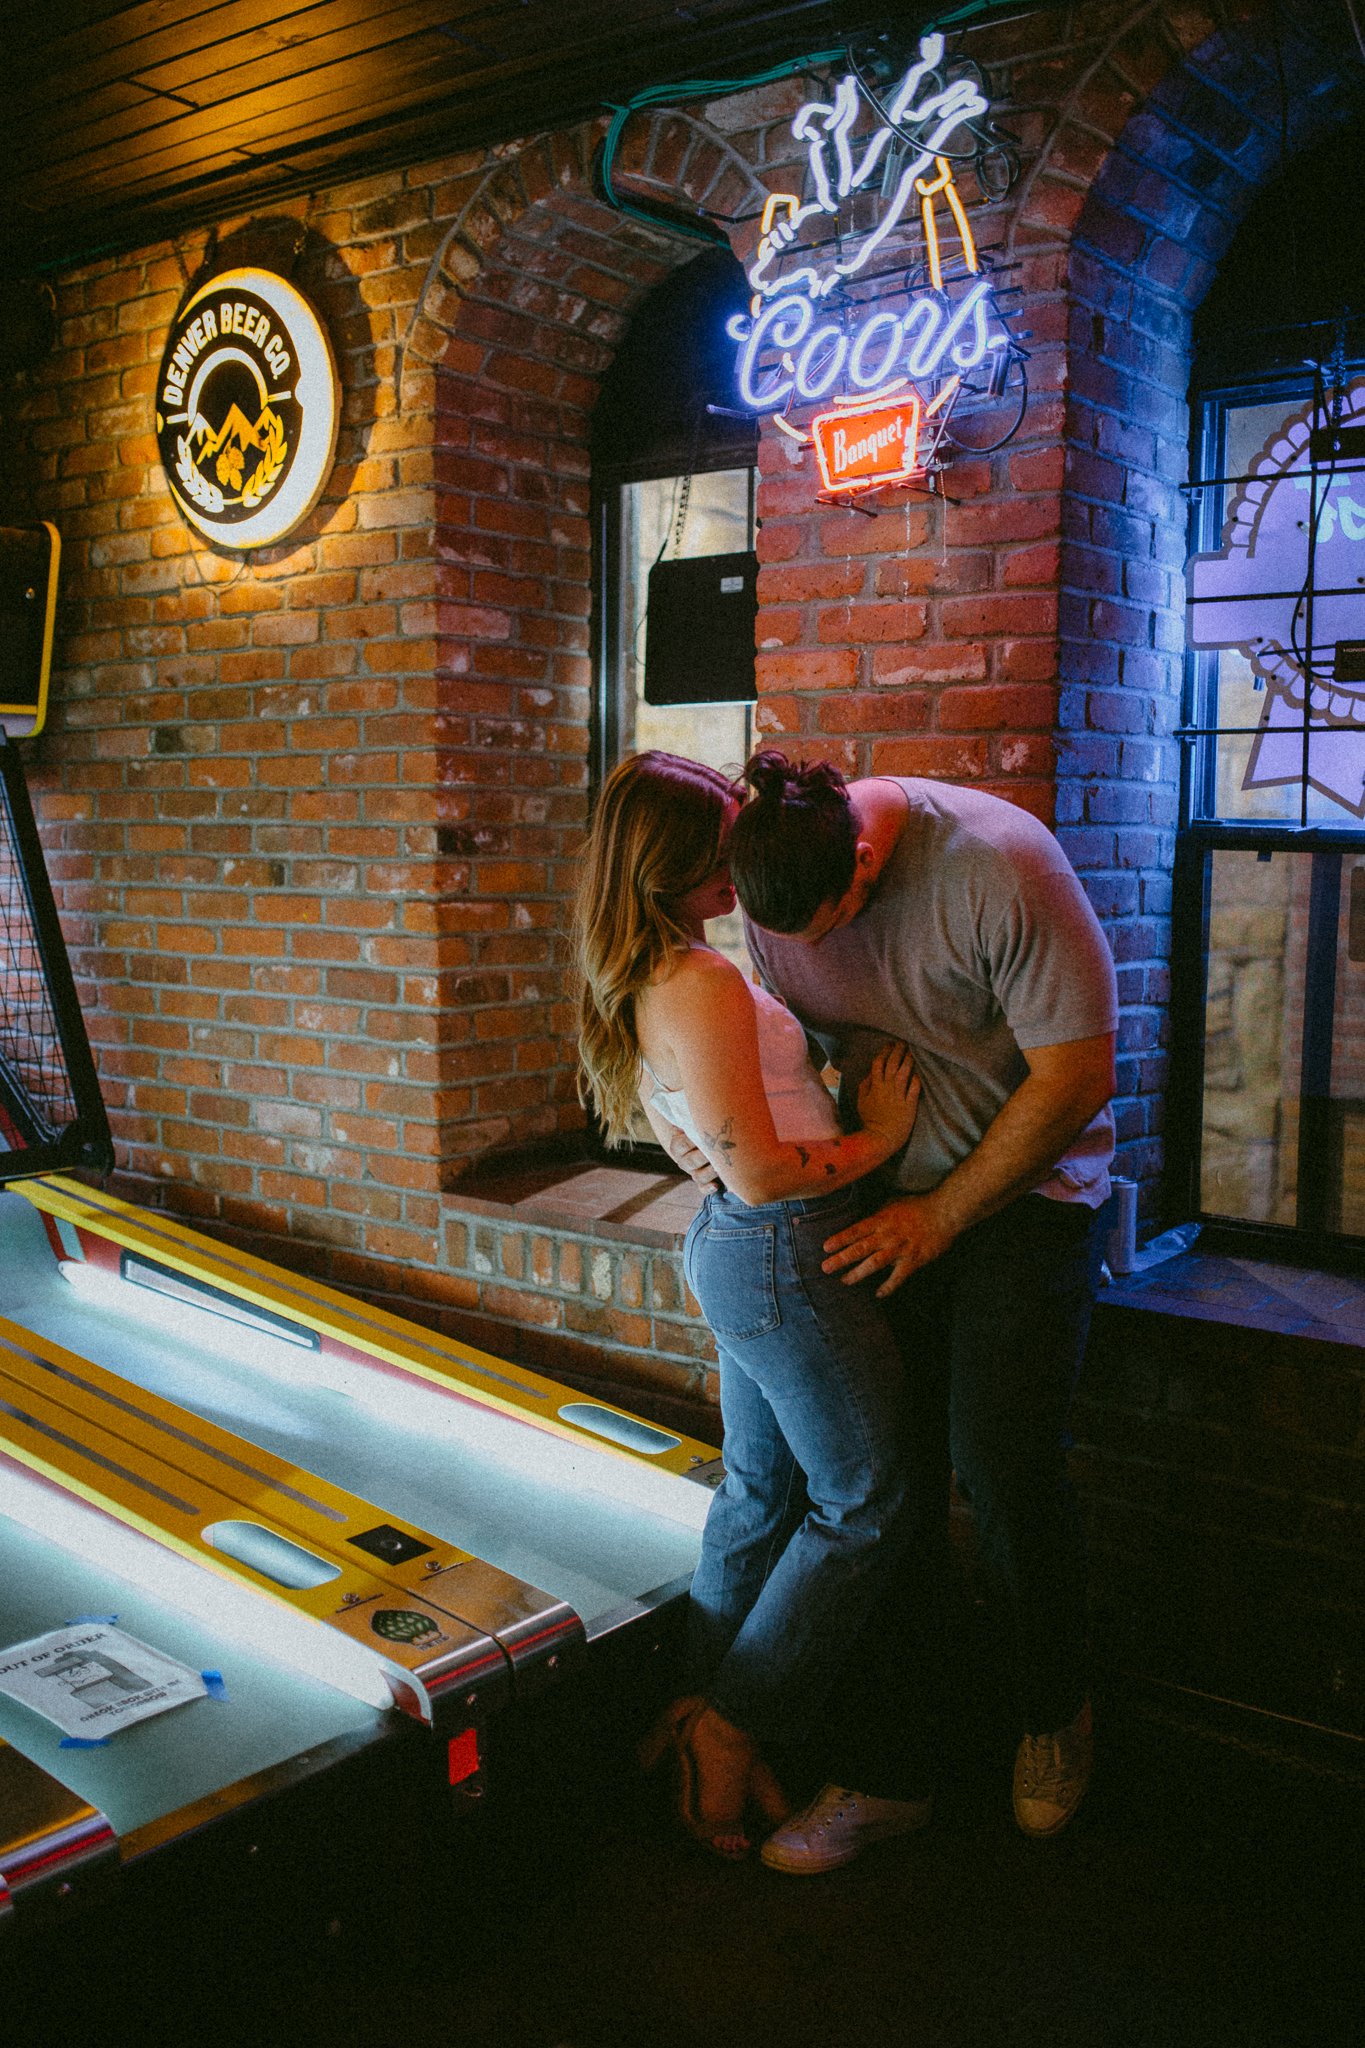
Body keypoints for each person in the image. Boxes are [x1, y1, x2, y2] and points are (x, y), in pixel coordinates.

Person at [701, 750, 1119, 1869]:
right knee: (878, 1475)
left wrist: (941, 1215)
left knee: (998, 1455)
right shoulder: (778, 886)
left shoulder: (997, 863)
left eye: (835, 921)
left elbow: (1078, 1075)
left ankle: (1054, 1708)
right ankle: (893, 1772)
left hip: (1023, 1197)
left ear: (869, 858)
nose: (814, 948)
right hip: (880, 1195)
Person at [575, 750, 925, 1864]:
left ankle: (690, 1713)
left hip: (746, 1246)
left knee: (761, 1488)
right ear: (668, 865)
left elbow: (695, 1142)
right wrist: (877, 1140)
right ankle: (732, 1728)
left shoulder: (656, 970)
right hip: (781, 1247)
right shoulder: (701, 981)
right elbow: (765, 1172)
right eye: (720, 844)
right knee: (866, 1496)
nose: (740, 859)